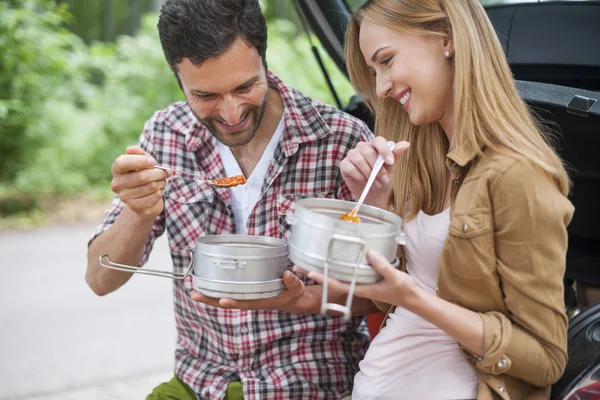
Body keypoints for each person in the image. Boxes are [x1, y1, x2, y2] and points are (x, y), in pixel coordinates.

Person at [85, 0, 377, 399]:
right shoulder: (165, 135)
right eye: (205, 95)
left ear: (264, 57)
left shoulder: (340, 140)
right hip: (200, 382)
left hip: (308, 384)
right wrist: (139, 210)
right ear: (177, 76)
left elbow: (377, 298)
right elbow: (100, 279)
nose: (231, 111)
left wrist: (303, 300)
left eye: (245, 86)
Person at [297, 0, 575, 399]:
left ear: (446, 38)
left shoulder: (517, 174)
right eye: (374, 72)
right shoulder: (425, 163)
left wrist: (412, 297)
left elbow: (546, 358)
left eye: (387, 61)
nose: (380, 88)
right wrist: (375, 205)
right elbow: (391, 296)